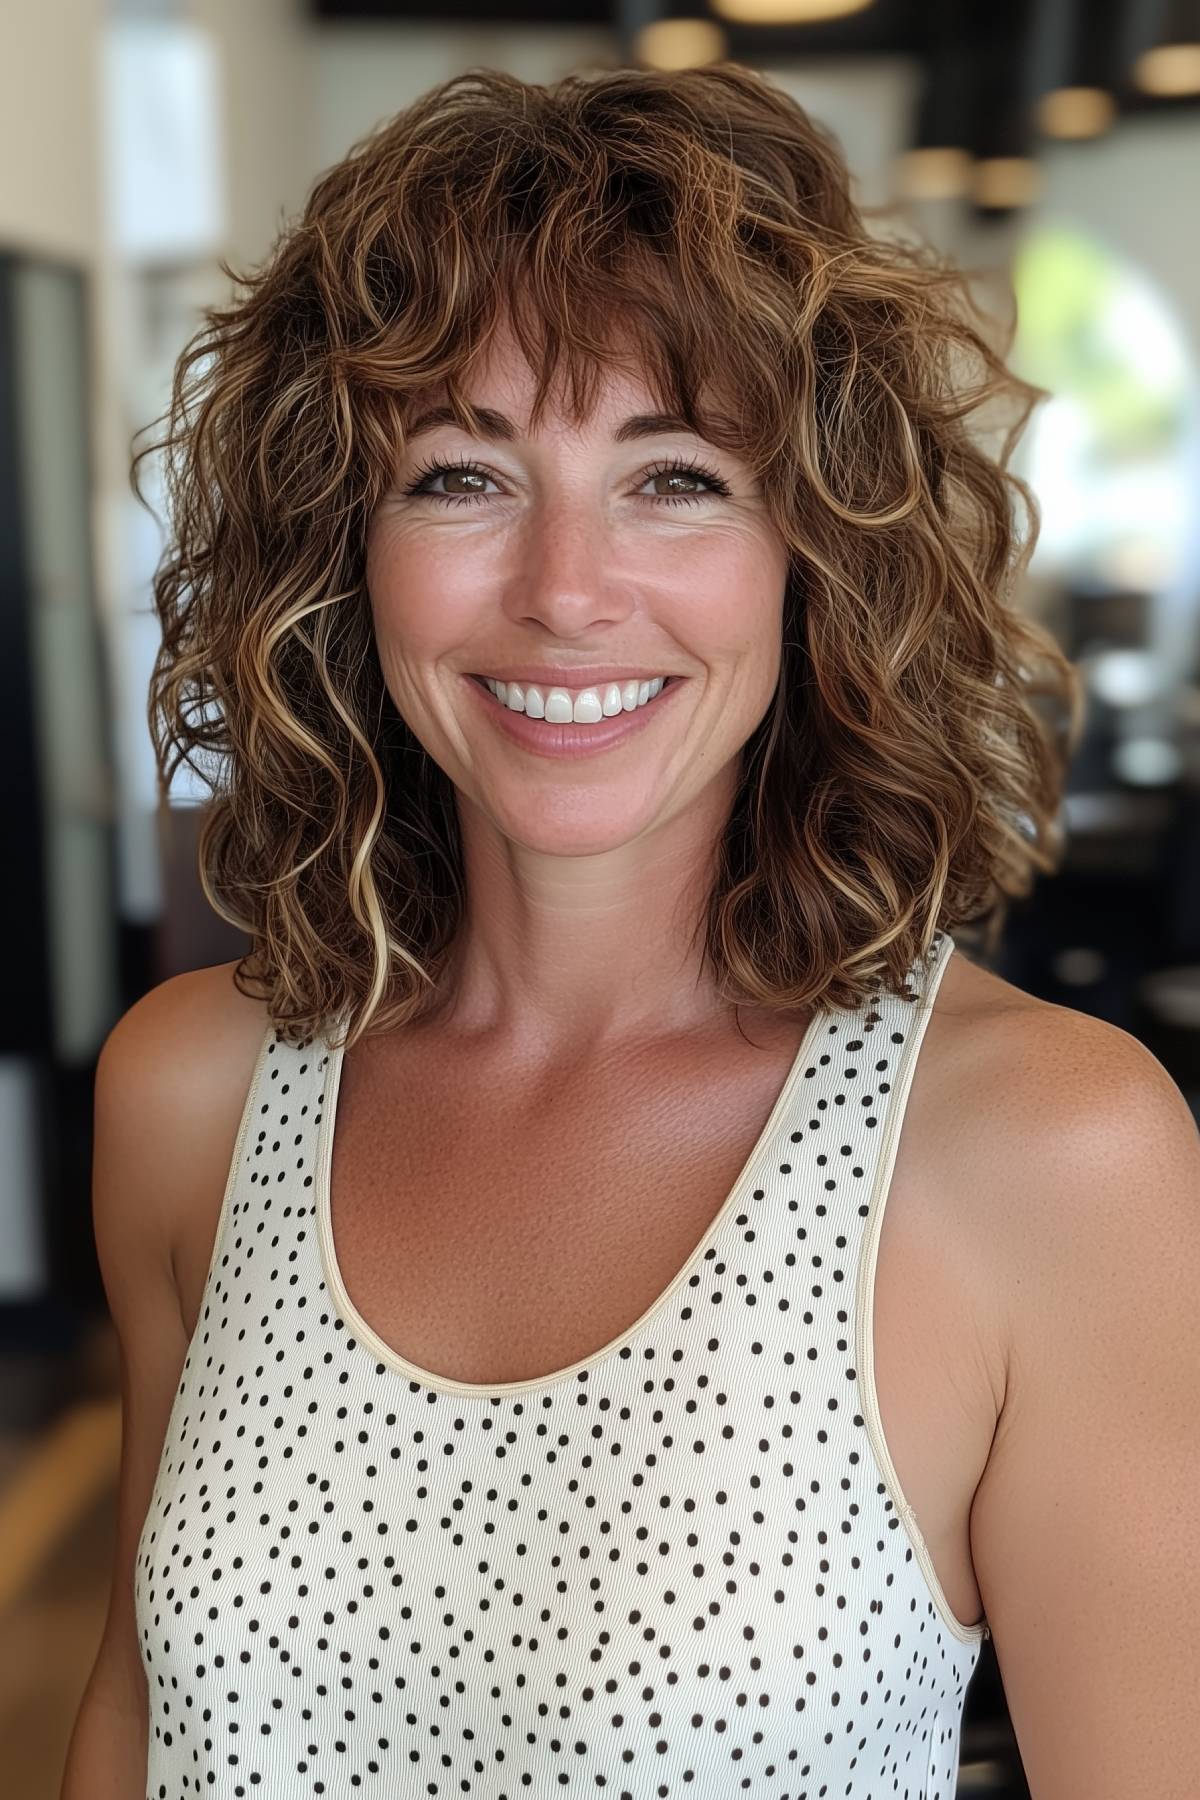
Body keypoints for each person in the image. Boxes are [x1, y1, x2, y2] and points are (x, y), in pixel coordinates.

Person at [62, 61, 1199, 1800]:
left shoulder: (1052, 1152)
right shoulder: (191, 1093)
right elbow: (140, 1726)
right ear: (337, 549)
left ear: (820, 545)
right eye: (461, 475)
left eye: (674, 477)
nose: (567, 588)